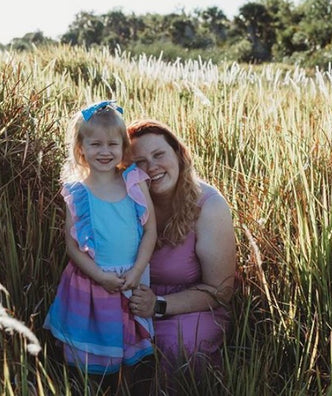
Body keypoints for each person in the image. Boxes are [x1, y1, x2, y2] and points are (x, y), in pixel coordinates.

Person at [43, 101, 157, 393]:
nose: (104, 152)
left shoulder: (133, 182)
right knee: (93, 354)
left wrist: (138, 269)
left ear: (123, 146)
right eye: (95, 144)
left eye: (112, 144)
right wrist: (99, 276)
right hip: (93, 281)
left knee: (133, 353)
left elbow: (150, 232)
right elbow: (72, 246)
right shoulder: (77, 191)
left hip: (130, 278)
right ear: (81, 148)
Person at [127, 119, 236, 388]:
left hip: (194, 306)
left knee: (180, 344)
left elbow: (220, 291)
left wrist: (159, 306)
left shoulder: (209, 206)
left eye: (159, 154)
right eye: (139, 161)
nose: (151, 167)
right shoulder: (127, 201)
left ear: (179, 154)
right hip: (136, 304)